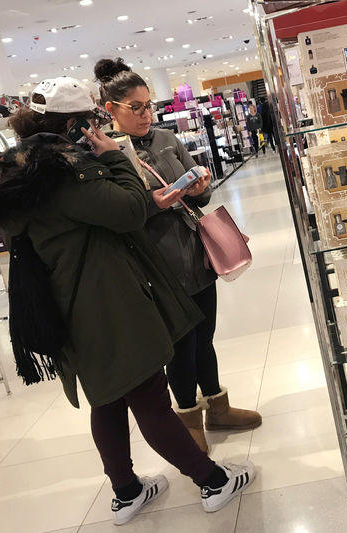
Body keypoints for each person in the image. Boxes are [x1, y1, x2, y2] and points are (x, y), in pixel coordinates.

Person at [0, 77, 255, 525]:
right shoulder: (63, 174)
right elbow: (128, 210)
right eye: (91, 121)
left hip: (66, 303)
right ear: (76, 124)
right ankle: (213, 481)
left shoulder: (20, 176)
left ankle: (126, 491)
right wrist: (115, 160)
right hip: (105, 303)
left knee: (108, 400)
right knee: (149, 397)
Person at [94, 58, 262, 454]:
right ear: (111, 110)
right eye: (135, 108)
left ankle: (217, 408)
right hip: (156, 266)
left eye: (149, 105)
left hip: (196, 253)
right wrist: (153, 203)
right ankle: (188, 418)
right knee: (181, 348)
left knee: (205, 338)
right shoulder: (107, 155)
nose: (146, 114)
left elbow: (200, 193)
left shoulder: (167, 138)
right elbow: (116, 215)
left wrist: (200, 185)